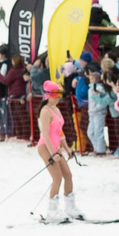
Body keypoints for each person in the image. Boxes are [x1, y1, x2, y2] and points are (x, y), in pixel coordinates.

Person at [34, 81, 82, 222]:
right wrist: (53, 153)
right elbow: (46, 134)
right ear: (48, 95)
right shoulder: (45, 111)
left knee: (68, 175)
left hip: (56, 148)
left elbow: (59, 133)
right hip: (46, 147)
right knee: (57, 178)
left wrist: (67, 149)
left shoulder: (56, 109)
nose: (58, 97)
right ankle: (52, 211)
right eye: (55, 95)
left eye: (59, 94)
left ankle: (70, 208)